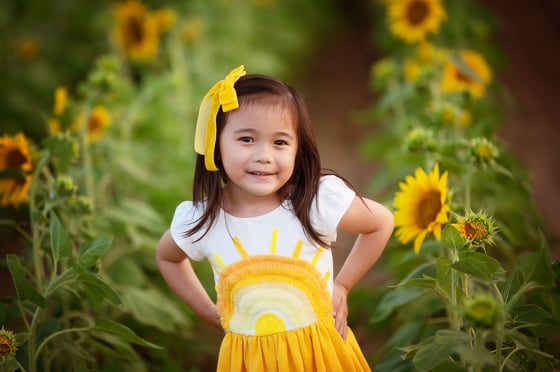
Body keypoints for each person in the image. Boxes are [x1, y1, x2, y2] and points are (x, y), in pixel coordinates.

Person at [156, 65, 394, 371]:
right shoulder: (203, 219)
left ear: (297, 150)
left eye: (279, 142)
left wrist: (343, 286)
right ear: (216, 144)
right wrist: (208, 310)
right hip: (250, 361)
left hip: (319, 356)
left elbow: (381, 222)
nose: (264, 155)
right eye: (247, 139)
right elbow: (167, 257)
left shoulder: (312, 202)